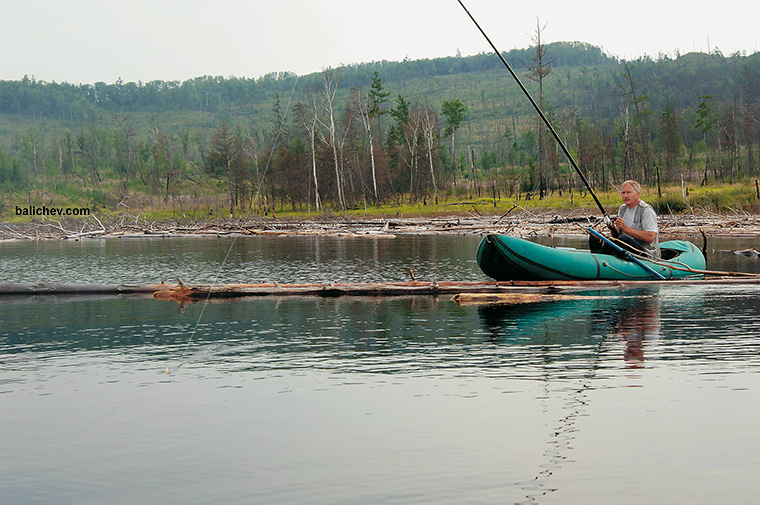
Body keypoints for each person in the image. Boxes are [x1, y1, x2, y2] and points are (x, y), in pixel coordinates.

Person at [590, 180, 661, 259]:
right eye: (623, 193)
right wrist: (613, 228)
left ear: (638, 194)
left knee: (623, 238)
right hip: (626, 247)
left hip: (645, 253)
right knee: (594, 236)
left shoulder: (646, 210)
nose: (625, 196)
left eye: (629, 192)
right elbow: (618, 235)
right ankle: (598, 261)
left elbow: (650, 237)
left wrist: (625, 228)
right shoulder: (623, 208)